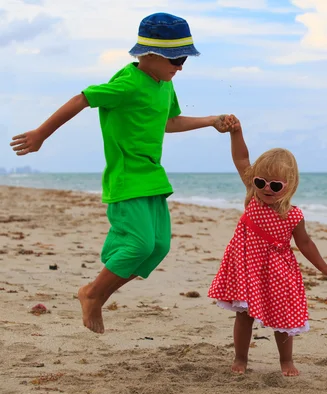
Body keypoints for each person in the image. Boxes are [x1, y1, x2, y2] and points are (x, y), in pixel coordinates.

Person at [9, 12, 236, 334]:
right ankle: (91, 293)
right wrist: (42, 134)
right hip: (127, 177)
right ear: (150, 55)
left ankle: (96, 294)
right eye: (176, 59)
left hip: (153, 177)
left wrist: (211, 120)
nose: (181, 66)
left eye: (185, 59)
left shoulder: (163, 85)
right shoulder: (128, 83)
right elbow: (82, 98)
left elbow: (169, 123)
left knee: (158, 247)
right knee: (140, 245)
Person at [208, 119, 327, 376]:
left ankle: (286, 361)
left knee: (283, 317)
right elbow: (241, 158)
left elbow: (305, 243)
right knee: (244, 314)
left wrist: (323, 266)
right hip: (247, 266)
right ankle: (241, 357)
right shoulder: (252, 197)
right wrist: (236, 132)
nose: (266, 189)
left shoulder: (293, 215)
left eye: (276, 185)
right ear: (253, 181)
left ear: (289, 186)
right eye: (261, 182)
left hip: (278, 270)